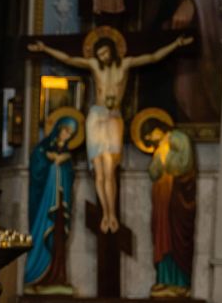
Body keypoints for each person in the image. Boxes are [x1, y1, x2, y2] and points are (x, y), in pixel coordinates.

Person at [28, 30, 192, 233]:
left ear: (113, 51)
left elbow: (153, 57)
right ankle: (104, 214)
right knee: (99, 171)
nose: (103, 57)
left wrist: (175, 44)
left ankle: (111, 214)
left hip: (114, 117)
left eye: (106, 53)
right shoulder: (95, 66)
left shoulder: (125, 64)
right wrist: (45, 49)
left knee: (110, 170)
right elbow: (69, 59)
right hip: (96, 117)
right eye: (100, 54)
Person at [141, 117, 196, 297]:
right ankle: (163, 279)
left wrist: (166, 155)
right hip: (162, 199)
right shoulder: (160, 147)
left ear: (159, 128)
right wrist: (160, 156)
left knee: (176, 237)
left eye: (151, 134)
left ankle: (180, 283)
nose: (152, 138)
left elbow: (184, 163)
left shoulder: (178, 138)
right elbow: (153, 172)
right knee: (161, 236)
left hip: (177, 197)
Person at [24, 116, 78, 294]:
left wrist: (64, 162)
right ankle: (37, 275)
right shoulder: (42, 149)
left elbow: (70, 175)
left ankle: (57, 276)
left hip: (60, 203)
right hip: (46, 204)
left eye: (71, 133)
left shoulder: (67, 154)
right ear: (58, 129)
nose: (67, 135)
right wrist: (49, 158)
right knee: (43, 233)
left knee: (58, 238)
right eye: (65, 131)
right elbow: (37, 169)